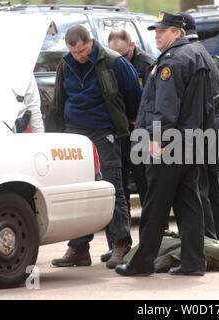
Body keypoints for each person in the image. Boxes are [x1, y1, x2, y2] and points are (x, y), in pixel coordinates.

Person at [115, 12, 214, 277]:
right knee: (189, 204)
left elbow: (166, 106)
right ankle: (194, 262)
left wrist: (157, 139)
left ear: (177, 33)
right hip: (192, 141)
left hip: (169, 144)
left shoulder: (173, 60)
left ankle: (142, 262)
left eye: (162, 30)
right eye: (156, 30)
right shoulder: (198, 54)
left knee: (155, 205)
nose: (157, 35)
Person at [45, 25, 143, 269]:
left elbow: (135, 97)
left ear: (91, 41)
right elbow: (58, 102)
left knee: (113, 189)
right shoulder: (65, 66)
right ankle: (78, 248)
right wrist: (55, 135)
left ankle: (121, 244)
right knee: (76, 192)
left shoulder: (114, 62)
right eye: (74, 52)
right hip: (74, 136)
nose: (79, 56)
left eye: (83, 50)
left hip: (105, 134)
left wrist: (126, 126)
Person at [100, 29, 155, 263]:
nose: (119, 59)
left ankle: (151, 243)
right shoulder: (106, 63)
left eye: (124, 54)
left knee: (146, 188)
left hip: (140, 134)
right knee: (116, 190)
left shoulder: (148, 65)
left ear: (132, 46)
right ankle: (117, 245)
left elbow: (151, 100)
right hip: (117, 135)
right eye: (115, 54)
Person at [179, 12, 219, 241]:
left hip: (202, 125)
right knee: (214, 186)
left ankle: (208, 241)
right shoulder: (204, 51)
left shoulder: (189, 53)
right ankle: (217, 240)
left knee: (201, 187)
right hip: (215, 122)